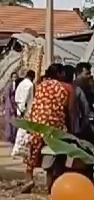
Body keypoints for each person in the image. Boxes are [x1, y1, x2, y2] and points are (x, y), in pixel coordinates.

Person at [23, 63, 69, 193]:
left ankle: (29, 178)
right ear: (59, 73)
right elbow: (64, 107)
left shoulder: (40, 85)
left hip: (38, 122)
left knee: (32, 152)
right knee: (54, 153)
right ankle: (51, 184)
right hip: (54, 124)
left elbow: (35, 104)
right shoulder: (62, 88)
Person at [3, 72, 18, 143]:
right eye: (13, 77)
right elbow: (7, 97)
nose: (14, 78)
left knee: (14, 122)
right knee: (9, 122)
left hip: (15, 104)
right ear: (11, 78)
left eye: (16, 77)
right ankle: (9, 137)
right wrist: (11, 107)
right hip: (9, 106)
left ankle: (13, 137)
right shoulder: (9, 86)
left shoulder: (16, 85)